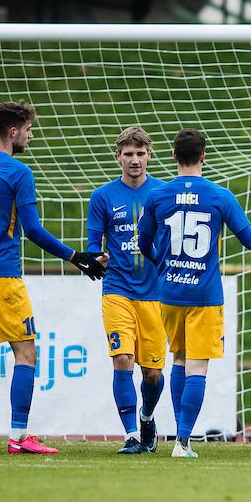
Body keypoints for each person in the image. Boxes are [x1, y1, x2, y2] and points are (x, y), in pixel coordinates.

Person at [0, 101, 105, 454]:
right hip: (2, 276)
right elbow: (34, 231)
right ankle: (18, 435)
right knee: (26, 353)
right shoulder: (18, 172)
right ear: (13, 132)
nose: (31, 135)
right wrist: (76, 257)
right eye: (28, 129)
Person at [139, 128, 251, 459]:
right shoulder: (219, 196)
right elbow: (249, 240)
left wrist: (162, 264)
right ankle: (183, 442)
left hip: (170, 292)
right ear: (204, 155)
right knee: (197, 369)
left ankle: (177, 435)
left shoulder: (157, 196)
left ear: (173, 156)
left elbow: (144, 241)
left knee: (180, 362)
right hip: (204, 294)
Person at [86, 127, 167, 454]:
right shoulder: (102, 196)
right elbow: (93, 244)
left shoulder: (163, 193)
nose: (135, 160)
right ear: (118, 156)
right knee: (123, 359)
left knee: (152, 373)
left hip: (156, 293)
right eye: (128, 154)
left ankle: (147, 418)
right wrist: (97, 257)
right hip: (117, 289)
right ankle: (131, 435)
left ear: (149, 155)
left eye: (140, 153)